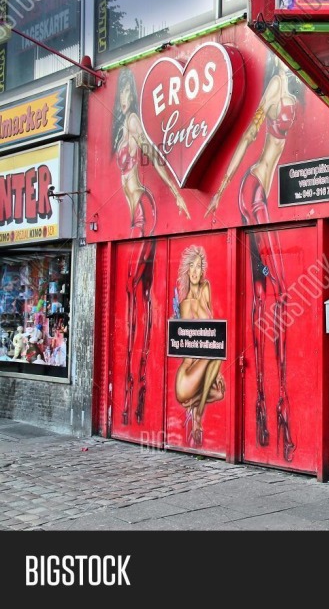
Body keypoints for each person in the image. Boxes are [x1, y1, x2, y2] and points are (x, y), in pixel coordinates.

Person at [205, 56, 301, 462]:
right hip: (254, 189)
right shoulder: (275, 87)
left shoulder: (295, 87)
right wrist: (220, 190)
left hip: (262, 190)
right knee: (279, 292)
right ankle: (276, 405)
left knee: (265, 298)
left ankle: (265, 405)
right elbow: (247, 139)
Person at [113, 67, 190, 426]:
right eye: (123, 91)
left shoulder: (132, 122)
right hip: (132, 217)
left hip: (143, 212)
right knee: (139, 303)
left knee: (135, 298)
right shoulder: (119, 130)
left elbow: (155, 159)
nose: (125, 97)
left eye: (129, 91)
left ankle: (137, 388)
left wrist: (177, 193)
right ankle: (137, 393)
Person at [172, 245, 225, 447]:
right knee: (216, 351)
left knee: (220, 393)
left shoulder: (206, 288)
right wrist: (213, 371)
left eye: (199, 266)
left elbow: (212, 330)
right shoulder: (185, 304)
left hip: (199, 371)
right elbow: (194, 346)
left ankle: (194, 406)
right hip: (186, 377)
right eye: (192, 267)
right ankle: (198, 415)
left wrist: (214, 373)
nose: (195, 271)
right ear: (187, 271)